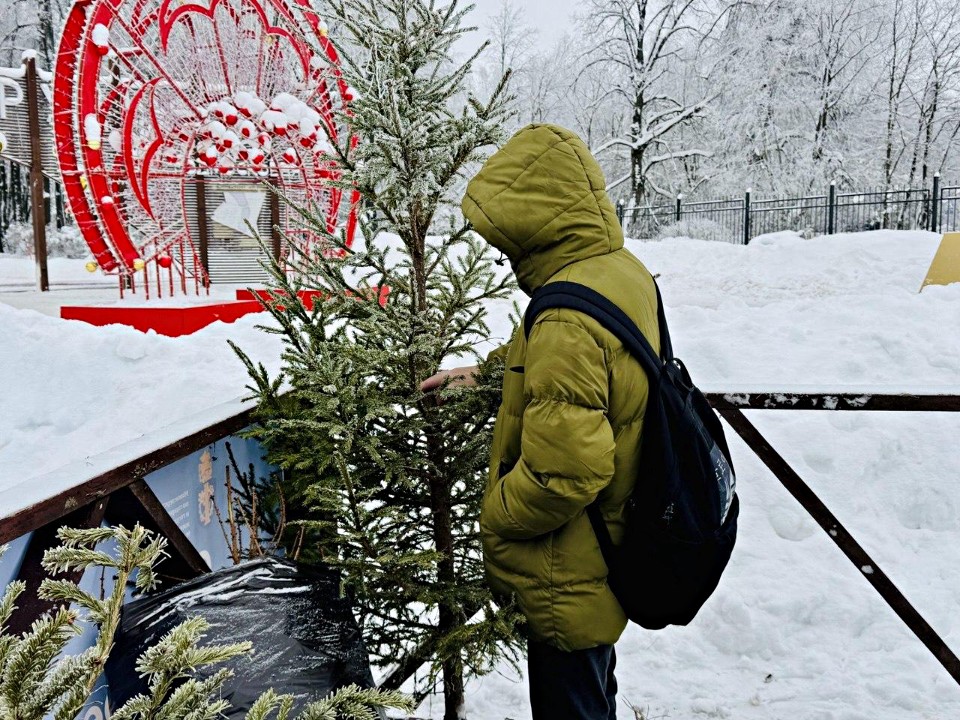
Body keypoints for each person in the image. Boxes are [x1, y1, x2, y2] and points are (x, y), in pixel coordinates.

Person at [422, 123, 660, 720]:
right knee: (593, 690)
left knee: (570, 703)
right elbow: (587, 370)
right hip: (611, 541)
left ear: (537, 219)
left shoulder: (562, 316)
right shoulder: (618, 271)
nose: (502, 253)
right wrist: (489, 373)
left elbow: (566, 473)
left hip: (566, 562)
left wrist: (497, 515)